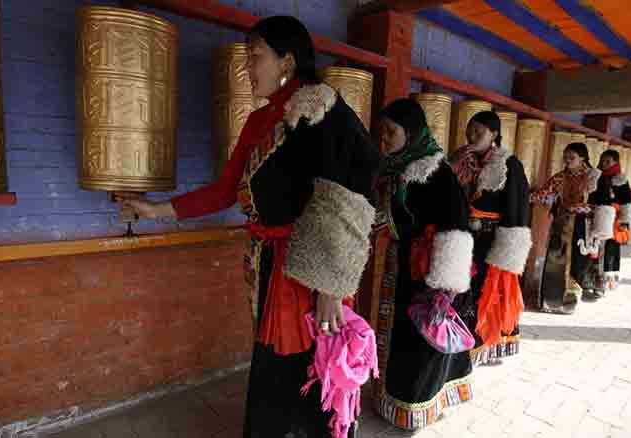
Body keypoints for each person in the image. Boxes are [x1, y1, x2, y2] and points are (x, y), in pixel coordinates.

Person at [118, 15, 380, 438]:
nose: (246, 68)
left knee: (309, 365)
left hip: (311, 271)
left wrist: (330, 284)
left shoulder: (321, 107)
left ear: (287, 61)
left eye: (254, 57)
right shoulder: (259, 123)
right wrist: (155, 210)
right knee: (274, 366)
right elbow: (224, 191)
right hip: (268, 264)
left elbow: (352, 185)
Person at [372, 98, 474, 430]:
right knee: (404, 335)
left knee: (423, 339)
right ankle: (395, 397)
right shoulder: (395, 169)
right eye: (383, 131)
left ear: (412, 132)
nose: (384, 139)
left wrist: (444, 289)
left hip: (429, 275)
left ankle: (417, 404)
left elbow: (456, 228)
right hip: (403, 266)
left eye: (391, 132)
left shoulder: (438, 174)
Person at [449, 111, 531, 366]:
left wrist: (507, 253)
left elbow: (518, 210)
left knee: (488, 291)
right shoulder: (461, 160)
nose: (472, 136)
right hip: (464, 238)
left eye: (479, 131)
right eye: (469, 131)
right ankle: (463, 343)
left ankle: (487, 343)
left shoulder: (509, 166)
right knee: (463, 290)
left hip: (491, 240)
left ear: (494, 134)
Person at [531, 142, 615, 313]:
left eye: (572, 157)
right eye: (565, 157)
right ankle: (549, 301)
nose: (567, 160)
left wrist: (581, 208)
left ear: (583, 158)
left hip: (582, 226)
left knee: (576, 263)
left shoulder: (595, 177)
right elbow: (545, 193)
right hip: (561, 223)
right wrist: (526, 195)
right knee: (554, 261)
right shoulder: (560, 177)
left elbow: (604, 205)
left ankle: (570, 302)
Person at [596, 149, 631, 292]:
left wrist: (625, 221)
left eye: (608, 161)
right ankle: (599, 278)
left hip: (615, 218)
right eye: (602, 161)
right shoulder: (598, 177)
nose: (604, 164)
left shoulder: (620, 179)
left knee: (611, 247)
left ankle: (608, 279)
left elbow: (627, 201)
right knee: (599, 247)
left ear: (616, 162)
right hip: (600, 216)